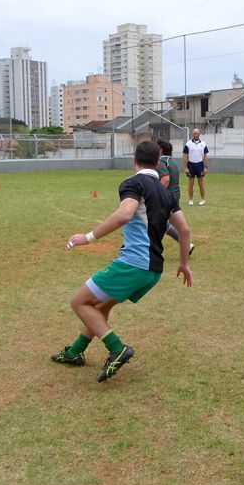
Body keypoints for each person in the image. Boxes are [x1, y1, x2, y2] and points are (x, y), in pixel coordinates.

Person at [52, 141, 193, 382]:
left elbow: (125, 214)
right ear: (158, 163)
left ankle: (117, 349)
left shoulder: (133, 183)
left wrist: (87, 237)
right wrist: (183, 264)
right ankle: (75, 352)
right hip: (153, 271)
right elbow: (185, 230)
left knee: (79, 302)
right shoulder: (166, 193)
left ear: (134, 160)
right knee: (100, 307)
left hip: (134, 264)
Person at [157, 138, 195, 256]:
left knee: (153, 223)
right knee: (164, 224)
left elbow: (165, 179)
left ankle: (150, 250)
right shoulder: (172, 162)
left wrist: (158, 195)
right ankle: (187, 245)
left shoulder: (161, 162)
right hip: (174, 197)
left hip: (166, 198)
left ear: (160, 150)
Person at [182, 128, 209, 205]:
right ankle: (191, 200)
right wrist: (185, 167)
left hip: (200, 165)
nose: (196, 135)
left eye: (197, 133)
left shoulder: (203, 144)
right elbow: (185, 156)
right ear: (192, 134)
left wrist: (206, 167)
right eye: (194, 133)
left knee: (201, 183)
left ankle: (202, 199)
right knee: (191, 183)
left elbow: (206, 156)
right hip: (191, 165)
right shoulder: (188, 144)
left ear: (199, 134)